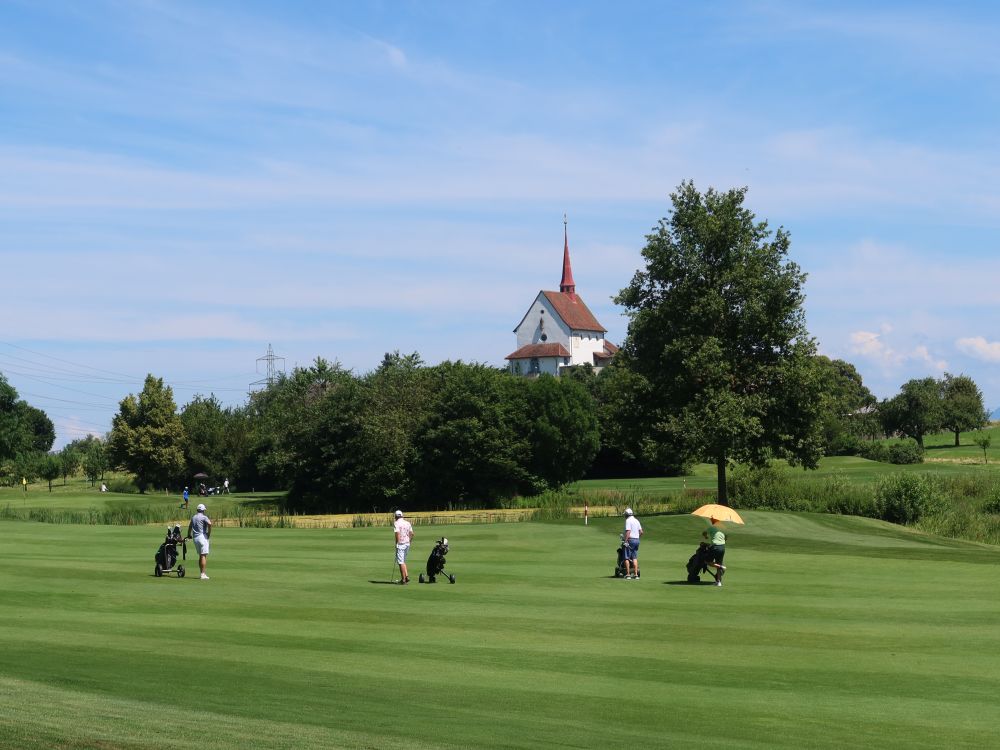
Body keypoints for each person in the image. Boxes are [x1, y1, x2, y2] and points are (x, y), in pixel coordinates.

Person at [187, 503, 213, 580]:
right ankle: (203, 574)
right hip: (202, 537)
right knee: (203, 555)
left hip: (195, 538)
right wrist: (208, 533)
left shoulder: (194, 517)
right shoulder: (204, 517)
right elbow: (210, 524)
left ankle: (202, 573)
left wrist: (189, 534)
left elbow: (190, 526)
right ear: (203, 510)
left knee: (201, 555)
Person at [702, 517, 727, 586]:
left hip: (715, 547)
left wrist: (706, 537)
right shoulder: (723, 528)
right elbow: (725, 537)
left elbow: (704, 533)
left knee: (707, 561)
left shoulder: (712, 527)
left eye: (712, 519)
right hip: (722, 547)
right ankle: (719, 582)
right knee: (719, 563)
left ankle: (721, 567)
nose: (711, 520)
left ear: (714, 520)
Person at [393, 509, 414, 584]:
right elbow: (412, 534)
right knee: (403, 561)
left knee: (400, 562)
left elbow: (397, 534)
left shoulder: (396, 523)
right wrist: (409, 542)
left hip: (401, 544)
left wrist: (397, 544)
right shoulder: (407, 523)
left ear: (395, 516)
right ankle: (407, 576)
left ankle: (403, 580)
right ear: (402, 515)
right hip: (407, 544)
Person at [623, 508, 643, 579]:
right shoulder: (636, 520)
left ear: (627, 514)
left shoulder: (628, 520)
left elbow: (628, 532)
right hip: (637, 540)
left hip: (630, 540)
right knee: (634, 557)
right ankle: (636, 575)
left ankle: (628, 574)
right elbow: (641, 532)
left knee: (626, 557)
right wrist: (637, 537)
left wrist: (625, 541)